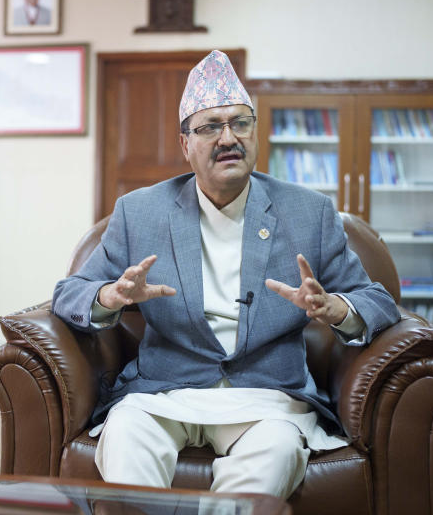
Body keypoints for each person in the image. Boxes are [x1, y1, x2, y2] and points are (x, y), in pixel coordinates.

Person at [52, 50, 400, 500]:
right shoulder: (140, 212)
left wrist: (338, 309)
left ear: (255, 132)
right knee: (124, 443)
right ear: (186, 145)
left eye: (240, 123)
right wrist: (110, 297)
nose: (228, 137)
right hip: (164, 392)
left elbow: (378, 300)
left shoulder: (308, 212)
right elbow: (69, 293)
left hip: (266, 395)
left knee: (275, 455)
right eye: (210, 126)